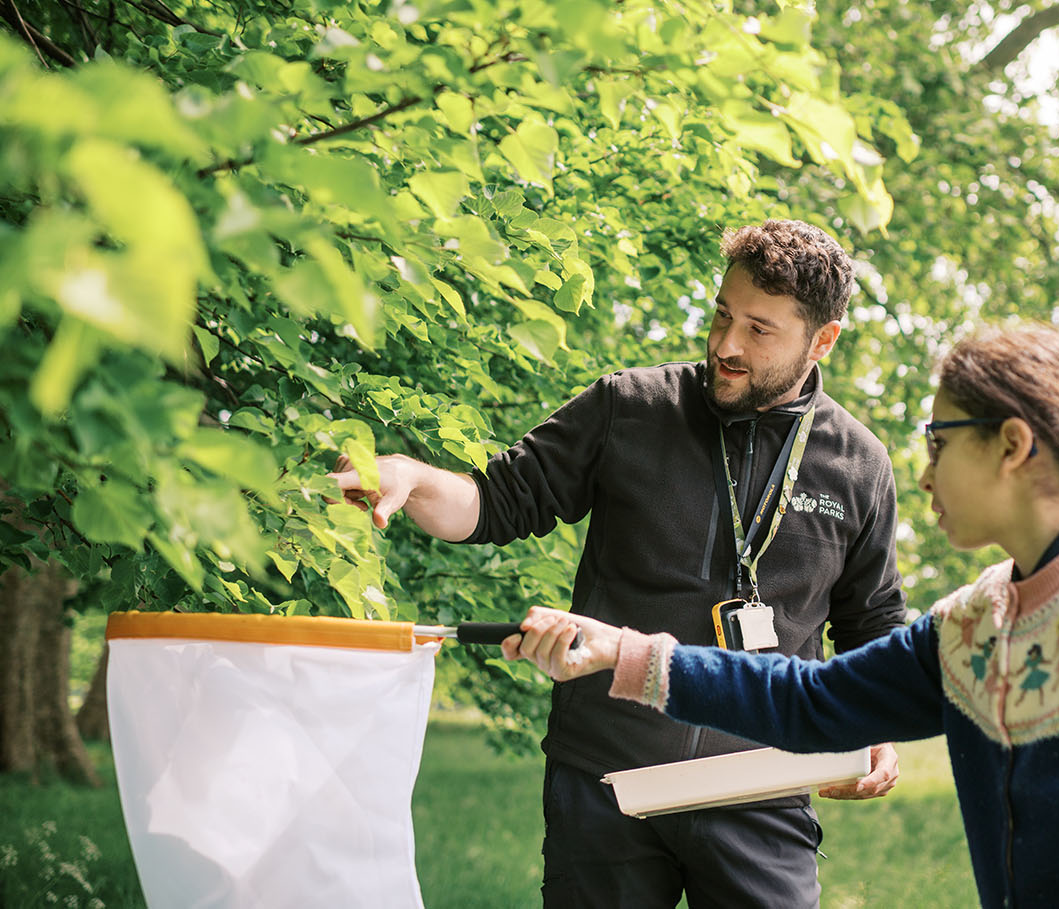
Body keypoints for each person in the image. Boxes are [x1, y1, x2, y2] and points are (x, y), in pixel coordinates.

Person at [504, 325, 1059, 909]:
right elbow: (815, 703)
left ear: (1013, 445)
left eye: (939, 439)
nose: (921, 474)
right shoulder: (977, 620)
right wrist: (624, 653)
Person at [331, 220, 908, 907]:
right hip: (607, 777)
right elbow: (494, 502)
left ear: (823, 340)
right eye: (723, 313)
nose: (726, 344)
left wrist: (875, 728)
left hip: (762, 782)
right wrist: (412, 475)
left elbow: (871, 623)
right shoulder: (628, 406)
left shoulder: (860, 464)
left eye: (760, 330)